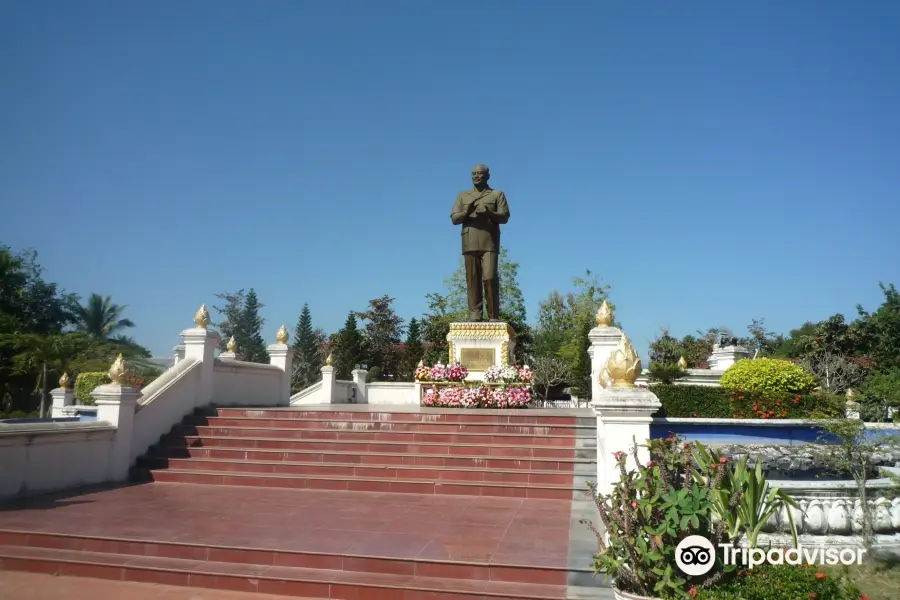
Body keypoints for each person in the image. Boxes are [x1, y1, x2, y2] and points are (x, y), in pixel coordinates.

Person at [450, 164, 511, 321]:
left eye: (480, 173)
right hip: (469, 241)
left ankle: (493, 315)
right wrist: (466, 213)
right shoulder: (463, 196)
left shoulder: (497, 194)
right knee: (472, 279)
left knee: (489, 277)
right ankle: (475, 314)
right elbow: (454, 219)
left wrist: (490, 213)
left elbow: (504, 217)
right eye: (473, 174)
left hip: (489, 241)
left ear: (488, 176)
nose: (476, 176)